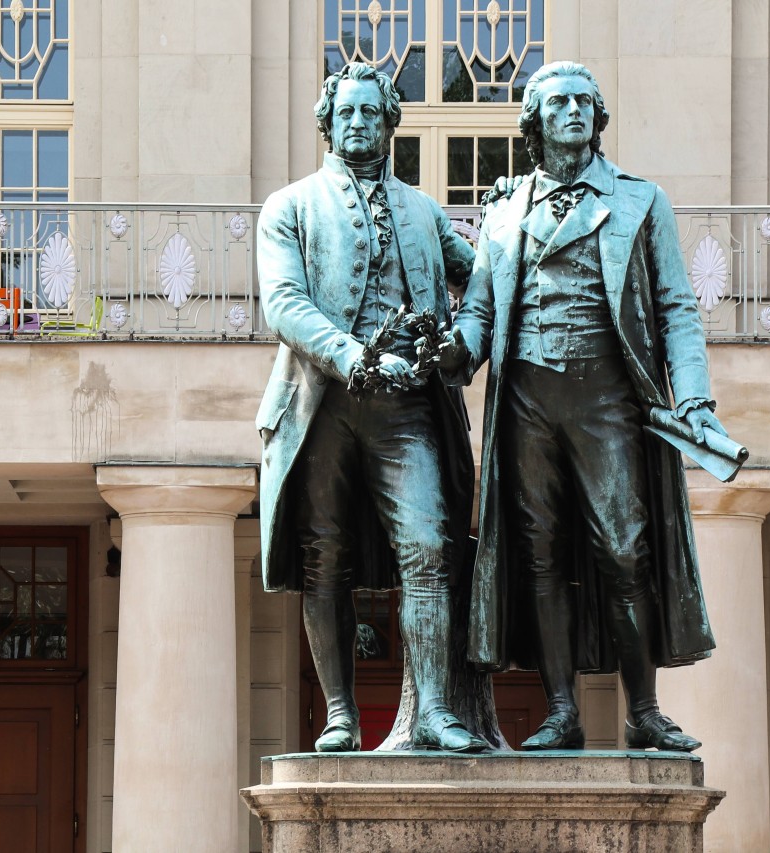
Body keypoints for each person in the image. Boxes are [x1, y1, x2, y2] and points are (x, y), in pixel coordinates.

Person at [446, 61, 723, 752]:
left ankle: (646, 709)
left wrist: (693, 394)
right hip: (528, 401)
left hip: (606, 398)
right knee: (538, 556)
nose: (572, 110)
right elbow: (480, 309)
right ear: (535, 121)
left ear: (597, 117)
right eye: (557, 102)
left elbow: (676, 308)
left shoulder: (639, 200)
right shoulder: (505, 210)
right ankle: (561, 708)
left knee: (625, 550)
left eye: (583, 101)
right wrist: (455, 353)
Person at [255, 62, 484, 753]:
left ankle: (436, 712)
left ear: (391, 124)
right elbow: (284, 303)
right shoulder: (288, 206)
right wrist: (352, 356)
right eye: (346, 113)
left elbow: (484, 281)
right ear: (327, 124)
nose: (358, 123)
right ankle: (340, 713)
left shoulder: (425, 211)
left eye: (371, 113)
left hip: (409, 405)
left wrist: (463, 344)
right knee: (325, 558)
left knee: (428, 545)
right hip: (320, 403)